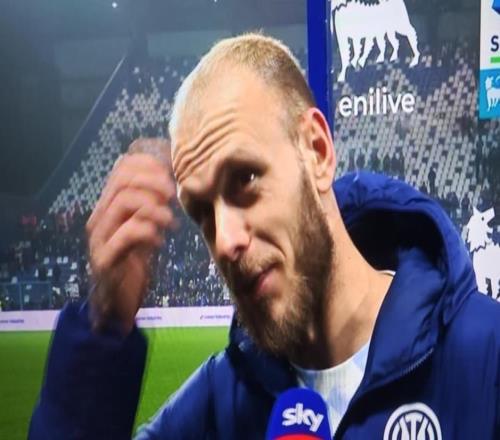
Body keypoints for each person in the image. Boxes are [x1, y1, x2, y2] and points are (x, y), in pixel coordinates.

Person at [30, 33, 500, 439]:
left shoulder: (484, 358)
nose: (225, 241)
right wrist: (103, 329)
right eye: (202, 213)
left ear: (317, 152)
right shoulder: (217, 404)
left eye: (245, 179)